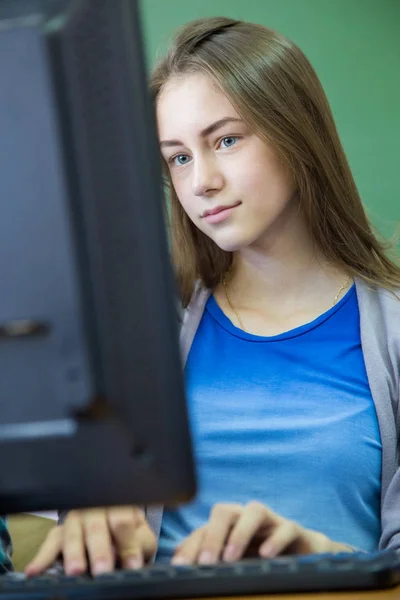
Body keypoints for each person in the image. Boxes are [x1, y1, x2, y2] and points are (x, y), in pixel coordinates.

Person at [25, 16, 400, 577]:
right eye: (178, 156)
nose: (201, 181)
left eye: (225, 140)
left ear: (298, 132)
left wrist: (323, 560)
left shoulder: (392, 330)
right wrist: (86, 507)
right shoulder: (138, 331)